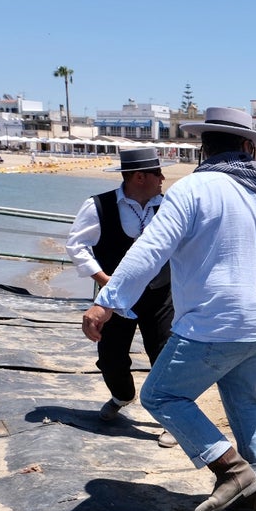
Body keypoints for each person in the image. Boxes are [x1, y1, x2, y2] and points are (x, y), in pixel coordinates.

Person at [81, 107, 256, 511]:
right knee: (243, 400)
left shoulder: (193, 190)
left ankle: (231, 469)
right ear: (246, 146)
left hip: (213, 323)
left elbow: (150, 251)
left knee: (161, 395)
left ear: (206, 147)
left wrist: (106, 302)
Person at [66, 147, 177, 448]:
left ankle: (172, 418)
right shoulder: (98, 206)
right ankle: (121, 396)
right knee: (111, 358)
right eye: (158, 173)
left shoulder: (170, 207)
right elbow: (77, 247)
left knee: (166, 356)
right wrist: (105, 282)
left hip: (160, 294)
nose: (163, 178)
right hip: (114, 299)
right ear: (140, 177)